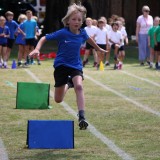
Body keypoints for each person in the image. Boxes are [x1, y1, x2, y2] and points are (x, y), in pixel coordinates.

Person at [29, 3, 107, 130]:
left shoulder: (82, 33)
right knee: (58, 99)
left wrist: (98, 48)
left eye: (79, 20)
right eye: (74, 19)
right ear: (68, 21)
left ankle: (82, 117)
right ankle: (69, 84)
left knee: (80, 86)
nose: (77, 22)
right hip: (61, 66)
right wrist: (37, 49)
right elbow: (44, 38)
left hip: (75, 65)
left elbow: (89, 40)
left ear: (82, 22)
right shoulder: (62, 33)